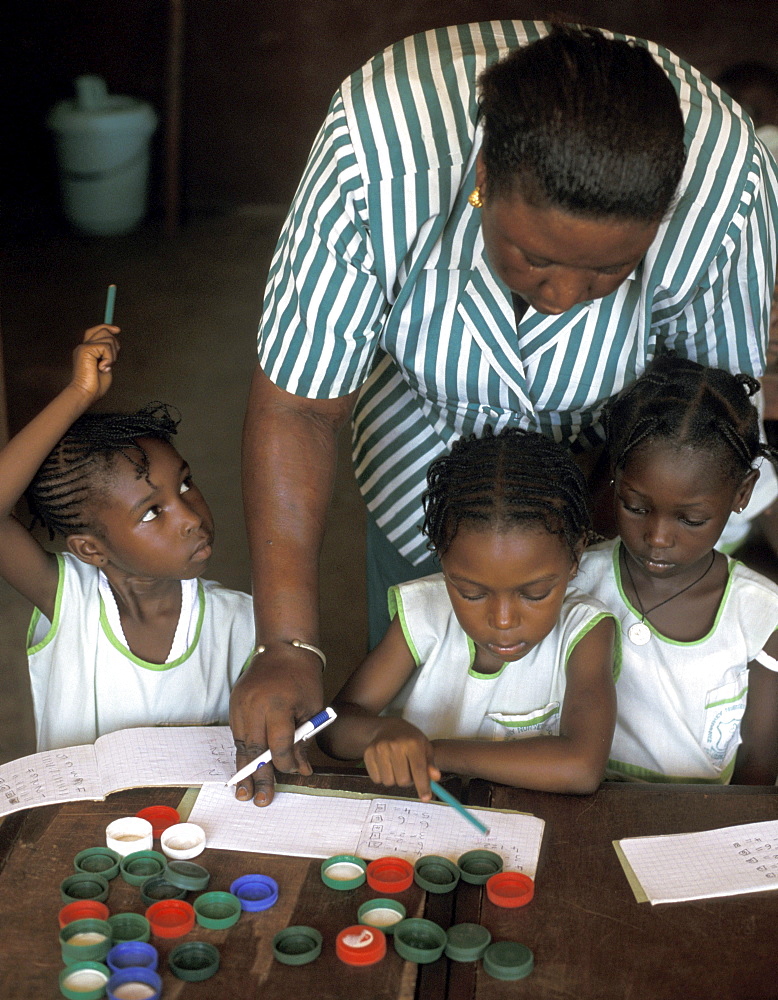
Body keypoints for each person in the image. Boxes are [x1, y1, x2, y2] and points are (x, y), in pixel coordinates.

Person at [232, 21, 778, 806]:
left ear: (661, 221)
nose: (561, 299)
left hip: (607, 490)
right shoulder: (379, 147)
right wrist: (289, 642)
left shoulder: (728, 189)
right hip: (415, 460)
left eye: (607, 275)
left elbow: (705, 417)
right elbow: (299, 405)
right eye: (535, 260)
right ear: (484, 174)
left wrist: (586, 541)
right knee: (426, 683)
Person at [318, 427, 617, 798]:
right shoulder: (424, 614)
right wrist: (378, 734)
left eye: (535, 593)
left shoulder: (584, 631)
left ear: (576, 556)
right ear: (441, 559)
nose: (503, 620)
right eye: (471, 593)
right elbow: (332, 727)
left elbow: (581, 767)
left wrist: (435, 752)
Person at [0, 324, 255, 751]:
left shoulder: (242, 624)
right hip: (78, 818)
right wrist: (78, 394)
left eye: (186, 483)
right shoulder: (71, 602)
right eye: (153, 511)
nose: (190, 516)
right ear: (92, 549)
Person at [576, 354, 778, 783]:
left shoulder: (762, 613)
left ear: (742, 493)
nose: (659, 537)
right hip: (581, 804)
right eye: (636, 507)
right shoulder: (577, 580)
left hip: (699, 825)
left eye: (690, 519)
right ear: (616, 476)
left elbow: (759, 763)